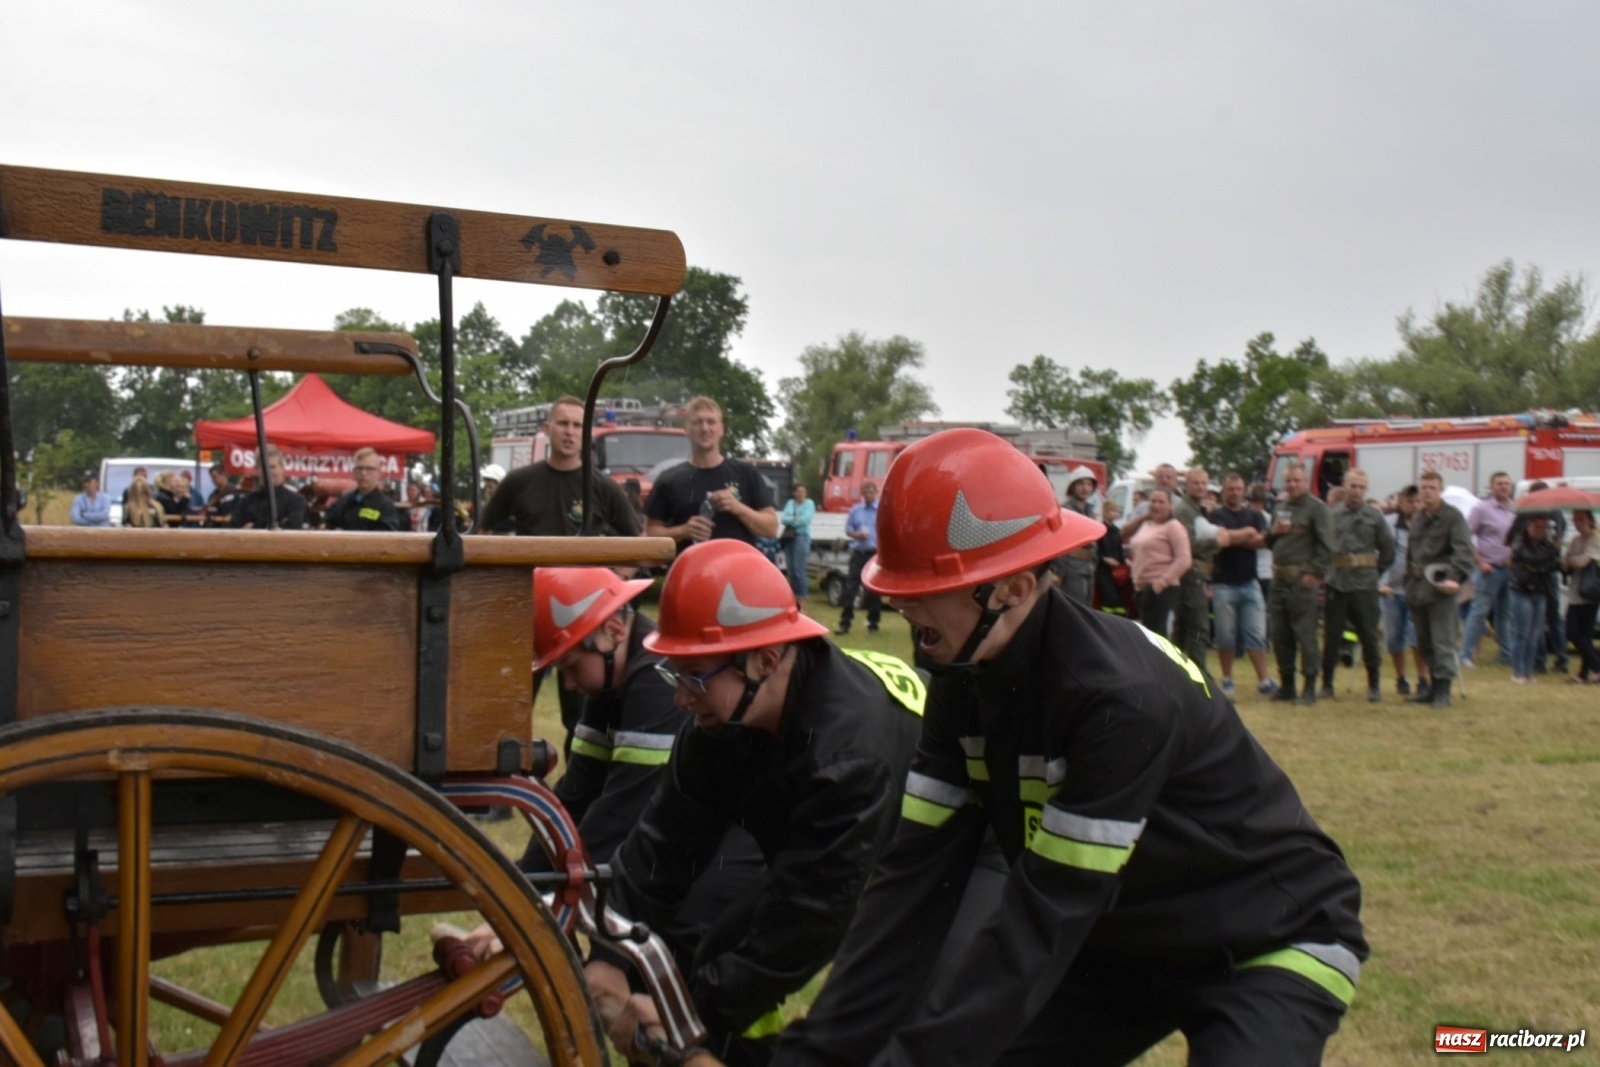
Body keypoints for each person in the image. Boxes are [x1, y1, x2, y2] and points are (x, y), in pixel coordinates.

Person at [751, 427, 1366, 1067]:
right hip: (1123, 944)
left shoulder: (1115, 701)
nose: (903, 606)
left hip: (1265, 939)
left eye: (924, 591)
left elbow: (1041, 915)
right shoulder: (961, 679)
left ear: (1012, 589)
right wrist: (818, 1055)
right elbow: (907, 890)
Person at [580, 540, 927, 1065]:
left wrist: (691, 1014)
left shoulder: (846, 758)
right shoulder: (722, 716)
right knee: (714, 954)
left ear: (766, 660)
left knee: (883, 1022)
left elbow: (807, 920)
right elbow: (664, 842)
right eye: (674, 672)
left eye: (693, 677)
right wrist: (609, 951)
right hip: (837, 819)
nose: (680, 698)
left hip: (938, 845)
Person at [479, 396, 643, 538]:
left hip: (582, 575)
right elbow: (481, 530)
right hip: (530, 575)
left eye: (577, 425)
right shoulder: (518, 481)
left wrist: (621, 575)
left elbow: (641, 540)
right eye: (563, 423)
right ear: (547, 429)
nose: (569, 431)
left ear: (586, 433)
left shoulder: (603, 487)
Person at [645, 396, 778, 551]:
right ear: (686, 430)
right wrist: (683, 531)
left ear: (721, 429)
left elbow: (771, 529)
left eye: (711, 422)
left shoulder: (746, 473)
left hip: (737, 571)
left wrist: (738, 508)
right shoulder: (669, 479)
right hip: (690, 572)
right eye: (697, 422)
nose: (705, 428)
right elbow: (651, 534)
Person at [1319, 469, 1395, 703]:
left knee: (1369, 636)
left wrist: (1374, 572)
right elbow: (1323, 547)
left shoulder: (1375, 516)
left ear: (1366, 490)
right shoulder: (1332, 515)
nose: (1356, 491)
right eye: (1353, 486)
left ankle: (1374, 685)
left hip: (1364, 584)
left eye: (1361, 487)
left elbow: (1388, 550)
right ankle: (1327, 684)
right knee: (1332, 636)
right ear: (1345, 486)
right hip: (1337, 583)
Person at [1403, 471, 1476, 708]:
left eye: (1432, 488)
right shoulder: (1419, 518)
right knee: (1424, 641)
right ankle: (1433, 688)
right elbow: (1411, 554)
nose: (1427, 492)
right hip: (1417, 587)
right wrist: (1407, 583)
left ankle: (1443, 691)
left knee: (1442, 639)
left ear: (1440, 489)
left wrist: (1455, 578)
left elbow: (1464, 551)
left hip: (1441, 586)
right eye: (1424, 487)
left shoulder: (1452, 517)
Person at [1266, 462, 1333, 706]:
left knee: (1306, 636)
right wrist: (1273, 532)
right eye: (1289, 481)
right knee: (1280, 635)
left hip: (1301, 581)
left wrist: (1315, 573)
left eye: (1297, 480)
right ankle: (1287, 685)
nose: (1292, 485)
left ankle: (1309, 688)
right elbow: (1268, 542)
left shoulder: (1317, 509)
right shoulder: (1280, 507)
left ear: (1305, 482)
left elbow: (1327, 546)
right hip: (1279, 579)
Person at [1208, 471, 1277, 698]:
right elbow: (1219, 540)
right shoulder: (1216, 516)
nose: (1235, 493)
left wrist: (1234, 538)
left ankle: (1264, 681)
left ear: (1244, 490)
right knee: (1226, 635)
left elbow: (1262, 542)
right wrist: (1246, 534)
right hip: (1223, 584)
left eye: (1238, 489)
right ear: (1224, 491)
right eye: (1230, 489)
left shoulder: (1254, 515)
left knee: (1256, 633)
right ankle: (1227, 679)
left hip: (1250, 583)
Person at [1460, 471, 1517, 668]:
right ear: (1492, 487)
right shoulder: (1482, 509)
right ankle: (1465, 655)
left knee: (1505, 614)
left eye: (1506, 484)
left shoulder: (1514, 510)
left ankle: (1506, 654)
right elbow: (1466, 538)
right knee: (1479, 612)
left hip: (1509, 569)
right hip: (1488, 570)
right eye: (1499, 483)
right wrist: (1480, 561)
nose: (1503, 487)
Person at [1380, 485, 1429, 697]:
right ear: (1400, 503)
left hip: (1418, 590)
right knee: (1393, 637)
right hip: (1392, 590)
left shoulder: (1427, 525)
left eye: (1418, 501)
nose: (1414, 505)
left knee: (1417, 636)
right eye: (1409, 501)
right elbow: (1381, 555)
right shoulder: (1389, 525)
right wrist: (1380, 582)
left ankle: (1423, 678)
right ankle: (1401, 677)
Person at [1170, 466, 1216, 673]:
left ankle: (1174, 675)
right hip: (1189, 574)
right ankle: (1201, 678)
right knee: (1197, 627)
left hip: (1196, 574)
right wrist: (1217, 541)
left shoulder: (1198, 509)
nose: (1200, 487)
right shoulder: (1184, 511)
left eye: (1204, 483)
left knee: (1182, 628)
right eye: (1196, 483)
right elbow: (1187, 545)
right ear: (1186, 486)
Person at [1505, 512, 1560, 684]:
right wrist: (1546, 559)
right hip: (1521, 590)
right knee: (1521, 632)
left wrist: (1539, 566)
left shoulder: (1546, 545)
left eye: (1543, 528)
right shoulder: (1519, 543)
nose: (1540, 531)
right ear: (1528, 526)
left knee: (1535, 634)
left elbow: (1553, 565)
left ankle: (1528, 672)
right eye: (1537, 527)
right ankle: (1517, 671)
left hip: (1540, 591)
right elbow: (1531, 558)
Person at [1127, 486, 1189, 636]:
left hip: (1161, 589)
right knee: (1148, 635)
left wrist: (1162, 582)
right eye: (1153, 501)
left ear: (1170, 505)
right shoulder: (1146, 525)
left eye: (1161, 502)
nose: (1156, 505)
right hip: (1141, 589)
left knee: (1158, 636)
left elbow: (1184, 559)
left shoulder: (1174, 526)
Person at [835, 480, 882, 636]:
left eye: (871, 492)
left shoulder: (882, 510)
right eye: (865, 492)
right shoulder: (856, 511)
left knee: (874, 591)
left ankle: (873, 624)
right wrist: (857, 535)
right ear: (862, 494)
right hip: (858, 553)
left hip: (874, 555)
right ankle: (845, 623)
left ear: (876, 492)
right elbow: (848, 530)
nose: (868, 494)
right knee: (851, 588)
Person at [1050, 466, 1100, 606]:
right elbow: (1059, 542)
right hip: (1070, 571)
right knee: (1074, 609)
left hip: (1088, 569)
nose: (1085, 488)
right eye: (1081, 483)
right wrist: (1057, 572)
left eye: (1089, 484)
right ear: (1073, 486)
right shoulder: (1065, 510)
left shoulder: (1090, 510)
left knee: (1086, 609)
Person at [1560, 508, 1600, 684]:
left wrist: (1572, 560)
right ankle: (1584, 674)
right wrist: (1569, 561)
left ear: (1590, 520)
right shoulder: (1575, 540)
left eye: (1582, 519)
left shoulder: (1596, 539)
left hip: (1590, 592)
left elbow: (1583, 561)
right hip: (1576, 591)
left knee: (1578, 633)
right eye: (1575, 520)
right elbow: (1566, 561)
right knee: (1579, 634)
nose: (1578, 523)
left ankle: (1597, 668)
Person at [230, 445, 307, 530]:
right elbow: (233, 529)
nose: (268, 471)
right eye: (264, 467)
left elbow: (292, 528)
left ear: (282, 468)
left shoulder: (296, 501)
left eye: (272, 467)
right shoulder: (247, 501)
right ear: (258, 470)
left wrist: (254, 528)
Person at [323, 447, 401, 531]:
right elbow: (328, 525)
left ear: (379, 473)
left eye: (369, 469)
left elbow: (387, 538)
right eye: (359, 468)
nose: (363, 473)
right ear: (354, 472)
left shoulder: (385, 506)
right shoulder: (344, 501)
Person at [778, 483, 815, 605]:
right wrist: (795, 519)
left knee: (799, 570)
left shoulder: (809, 504)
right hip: (789, 538)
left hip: (801, 537)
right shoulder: (790, 503)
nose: (800, 494)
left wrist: (792, 519)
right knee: (791, 570)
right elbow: (784, 519)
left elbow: (806, 520)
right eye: (798, 491)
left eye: (803, 492)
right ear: (794, 493)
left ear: (806, 493)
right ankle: (793, 598)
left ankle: (802, 600)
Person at [1094, 498, 1130, 616]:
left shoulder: (1117, 531)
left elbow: (1119, 550)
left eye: (1116, 511)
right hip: (1103, 570)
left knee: (1120, 599)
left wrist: (1125, 562)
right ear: (1105, 512)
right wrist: (1104, 559)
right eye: (1111, 511)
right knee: (1109, 598)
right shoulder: (1100, 530)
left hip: (1117, 571)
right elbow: (1095, 551)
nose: (1114, 514)